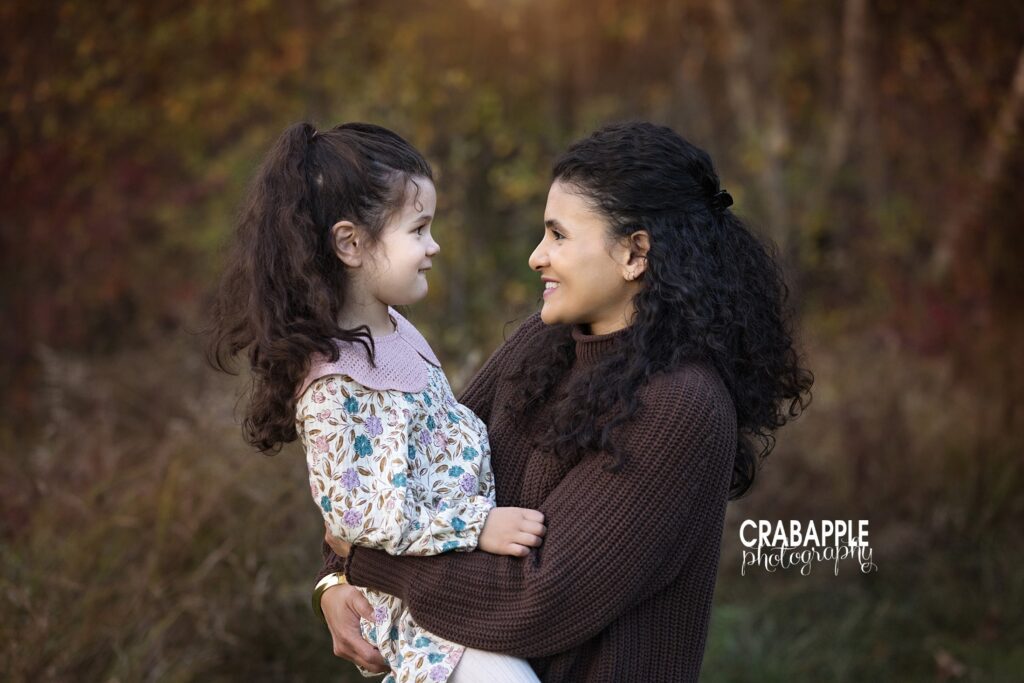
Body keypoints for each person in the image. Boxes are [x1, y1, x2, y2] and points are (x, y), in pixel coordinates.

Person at [315, 121, 815, 682]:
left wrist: (369, 562)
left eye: (558, 235)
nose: (536, 256)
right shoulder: (546, 341)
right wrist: (337, 578)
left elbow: (537, 599)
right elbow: (421, 467)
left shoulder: (681, 405)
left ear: (635, 253)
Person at [207, 122, 544, 683]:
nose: (433, 245)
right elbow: (360, 517)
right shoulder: (335, 384)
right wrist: (477, 525)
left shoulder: (397, 332)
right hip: (428, 628)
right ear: (351, 243)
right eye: (419, 229)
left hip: (465, 603)